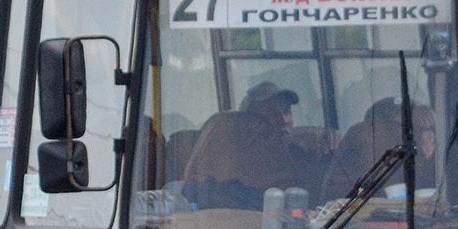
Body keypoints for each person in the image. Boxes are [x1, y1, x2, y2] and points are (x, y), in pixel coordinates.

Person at [182, 81, 314, 208]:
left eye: (286, 112)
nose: (283, 121)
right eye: (271, 114)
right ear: (246, 123)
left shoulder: (299, 152)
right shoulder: (227, 172)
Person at [321, 97, 436, 200]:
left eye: (430, 130)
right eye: (417, 129)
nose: (427, 138)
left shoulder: (435, 171)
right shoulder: (370, 145)